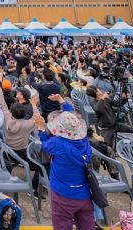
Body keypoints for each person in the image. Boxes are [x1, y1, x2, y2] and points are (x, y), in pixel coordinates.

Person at [34, 96, 94, 230]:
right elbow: (72, 118)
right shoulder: (85, 142)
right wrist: (62, 101)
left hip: (63, 196)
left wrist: (41, 128)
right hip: (84, 195)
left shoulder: (58, 144)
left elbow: (45, 143)